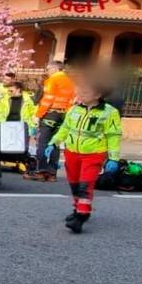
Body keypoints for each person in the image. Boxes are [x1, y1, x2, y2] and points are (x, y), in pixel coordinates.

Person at [49, 79, 122, 233]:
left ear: (98, 94)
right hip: (72, 152)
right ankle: (78, 209)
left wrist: (114, 158)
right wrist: (53, 143)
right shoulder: (74, 109)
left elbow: (114, 135)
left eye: (85, 91)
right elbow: (65, 128)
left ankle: (81, 216)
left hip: (93, 154)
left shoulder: (109, 112)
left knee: (85, 185)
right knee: (74, 184)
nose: (80, 94)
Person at [25, 61, 75, 182]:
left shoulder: (53, 80)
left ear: (54, 68)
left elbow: (47, 99)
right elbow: (72, 100)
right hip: (62, 115)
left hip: (49, 114)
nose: (47, 72)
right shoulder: (70, 82)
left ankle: (41, 171)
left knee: (42, 143)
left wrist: (38, 115)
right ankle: (52, 173)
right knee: (55, 144)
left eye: (48, 69)